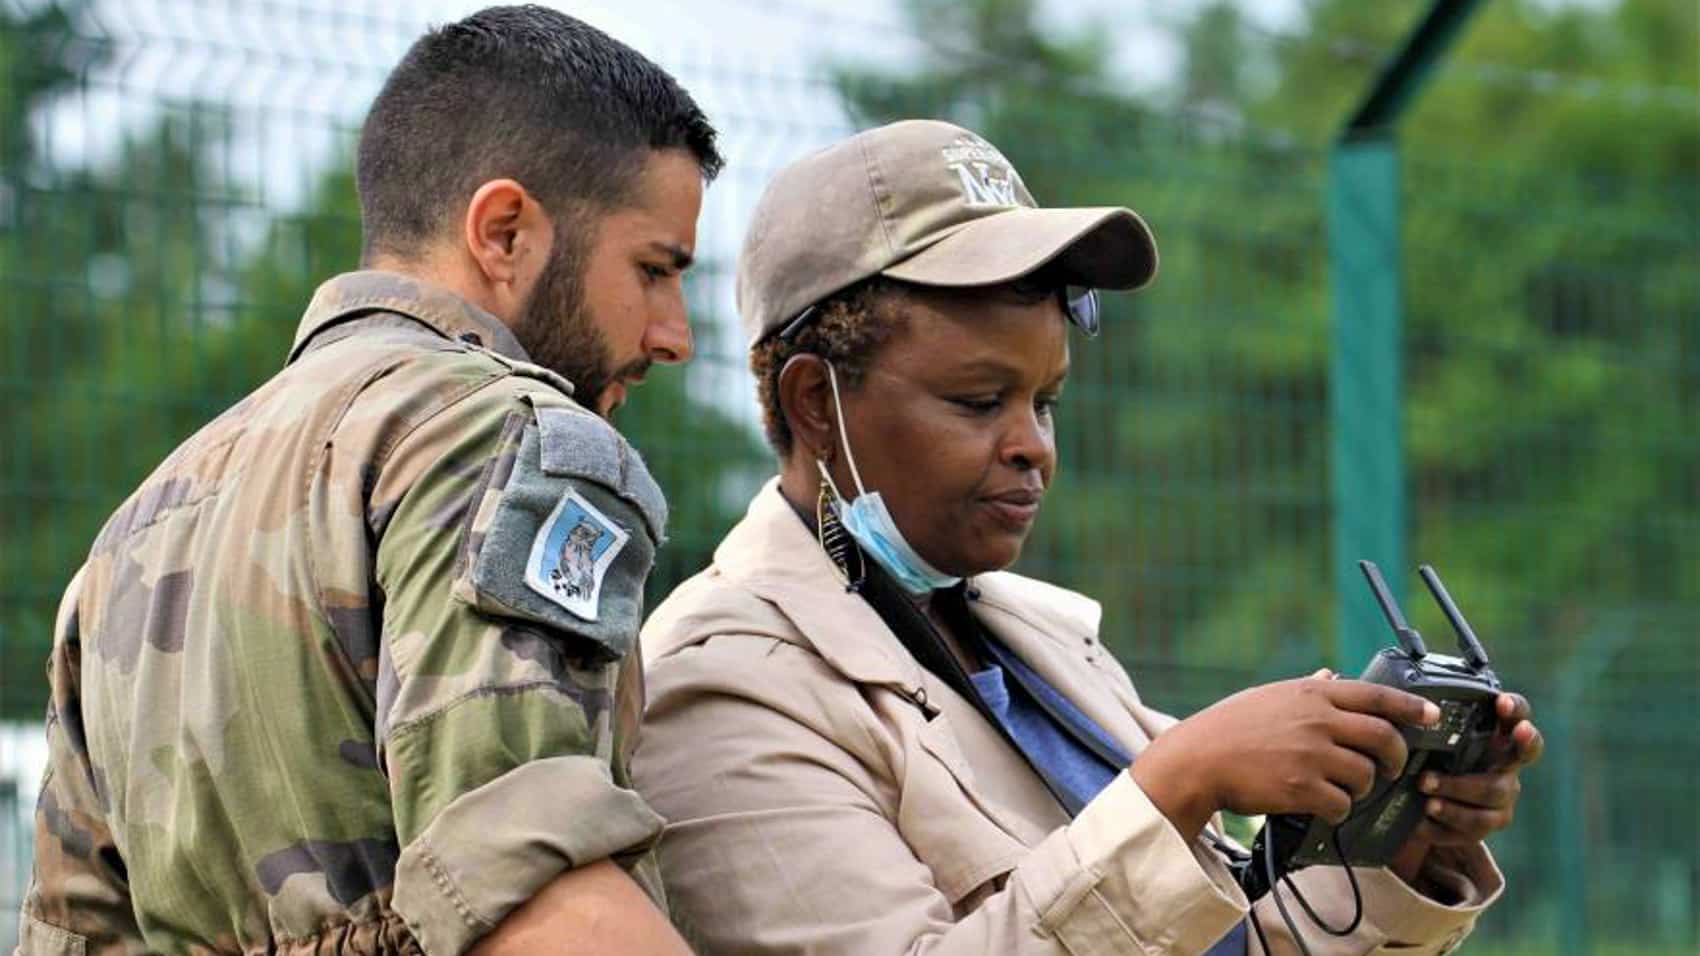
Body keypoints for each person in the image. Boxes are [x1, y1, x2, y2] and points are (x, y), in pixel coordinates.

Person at [631, 119, 1544, 955]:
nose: (1032, 446)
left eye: (1046, 401)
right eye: (979, 401)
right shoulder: (722, 688)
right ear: (812, 403)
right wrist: (1179, 784)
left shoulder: (1047, 643)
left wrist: (1390, 852)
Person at [16, 6, 720, 954]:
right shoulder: (502, 436)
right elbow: (541, 898)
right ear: (505, 233)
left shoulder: (132, 531)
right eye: (653, 268)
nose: (673, 334)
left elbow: (67, 933)